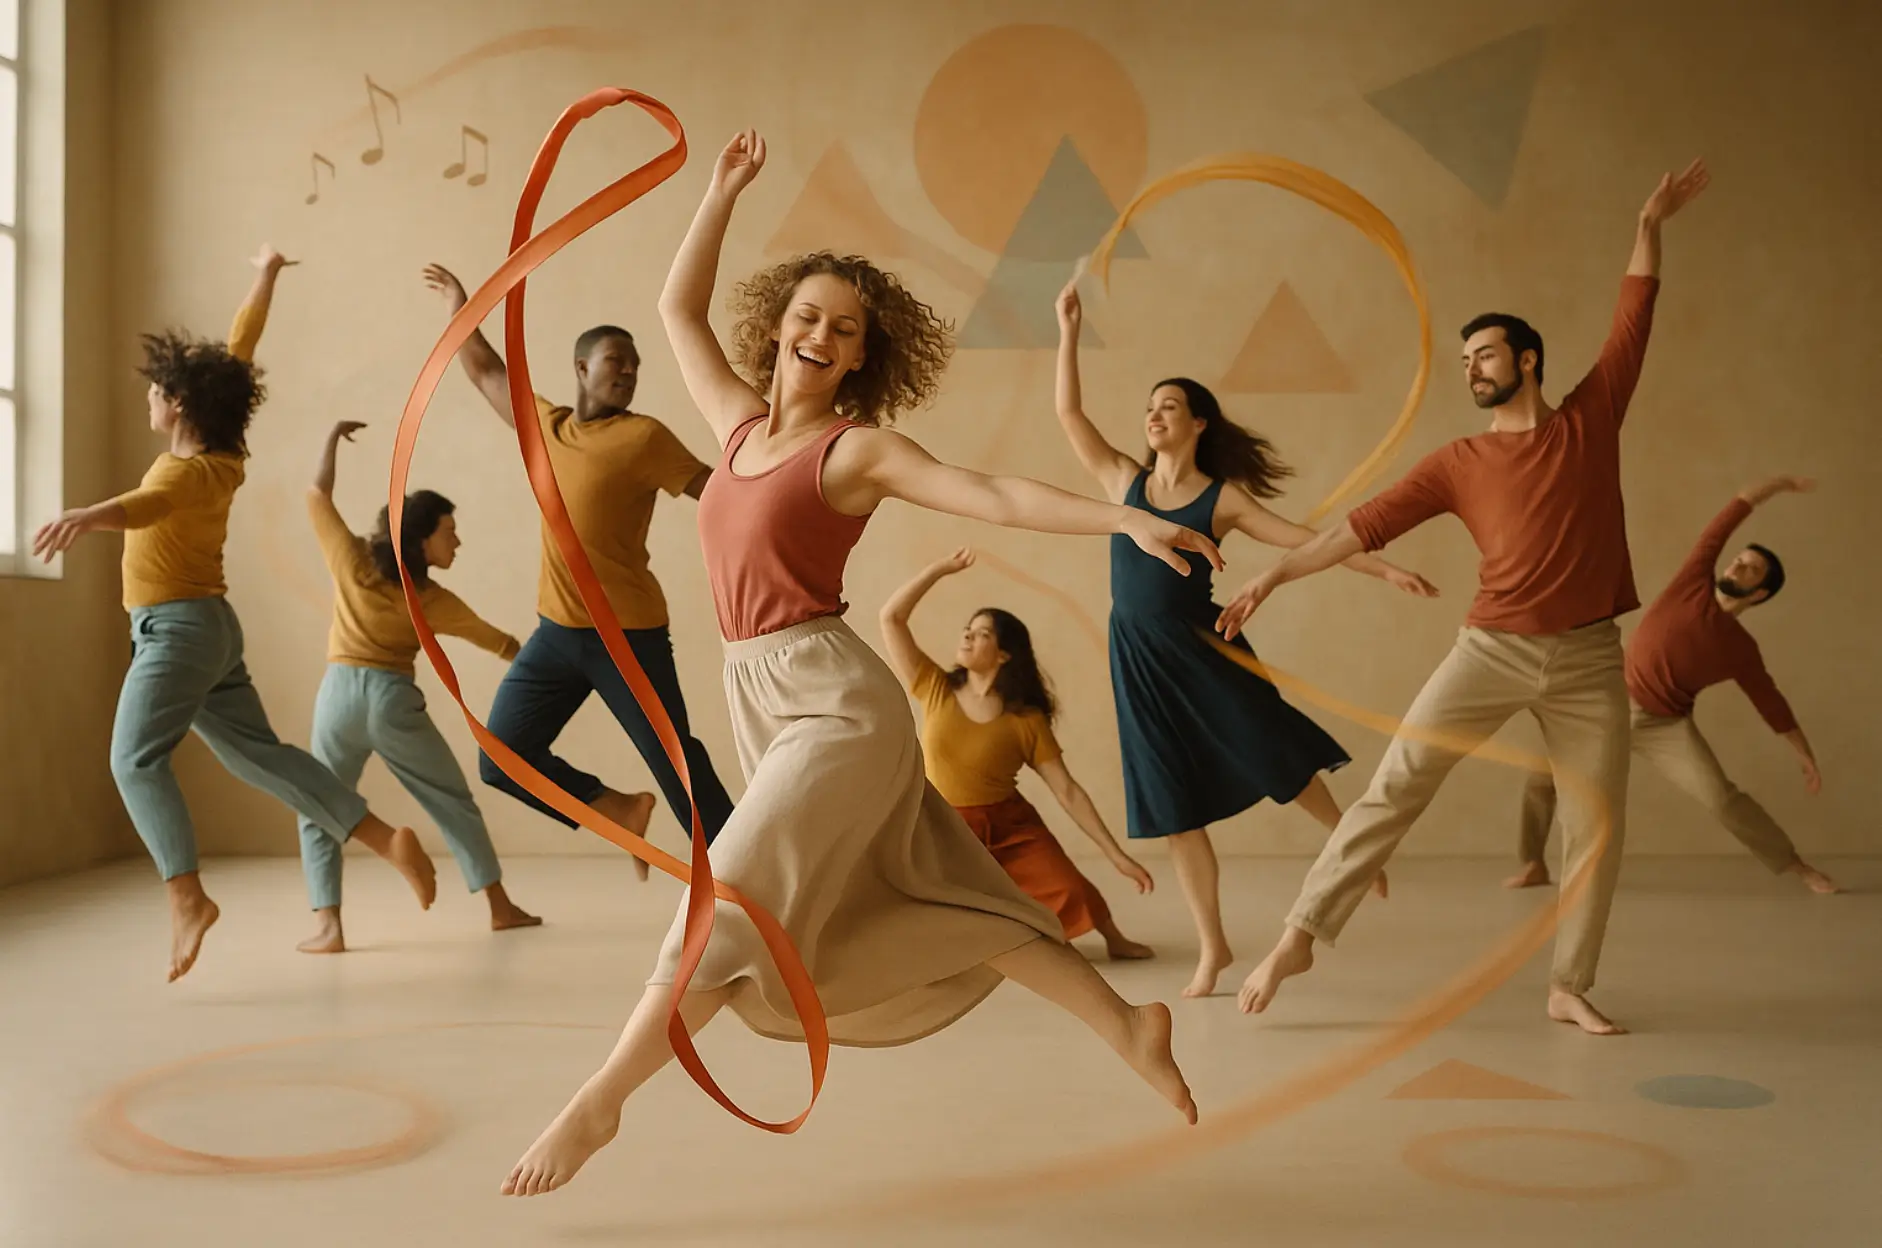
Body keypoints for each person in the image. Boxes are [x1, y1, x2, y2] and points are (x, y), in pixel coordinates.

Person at [502, 130, 1212, 1198]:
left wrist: (1128, 520)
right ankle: (1127, 1024)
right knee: (931, 896)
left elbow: (996, 494)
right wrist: (722, 191)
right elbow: (676, 313)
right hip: (762, 699)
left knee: (727, 899)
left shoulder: (856, 450)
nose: (821, 335)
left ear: (859, 355)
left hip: (835, 706)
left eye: (843, 329)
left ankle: (601, 1099)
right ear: (779, 330)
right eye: (806, 318)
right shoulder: (735, 429)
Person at [1225, 160, 1711, 1036]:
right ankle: (1300, 935)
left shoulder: (1589, 421)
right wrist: (1272, 573)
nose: (1472, 369)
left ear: (1527, 359)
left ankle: (1570, 983)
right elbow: (1358, 527)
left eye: (1485, 353)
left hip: (1591, 657)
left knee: (1596, 825)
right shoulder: (1457, 462)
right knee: (1394, 789)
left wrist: (1651, 221)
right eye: (1463, 361)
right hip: (1490, 651)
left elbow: (1633, 317)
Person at [29, 247, 437, 982]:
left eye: (156, 391)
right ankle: (382, 837)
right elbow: (241, 347)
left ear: (179, 404)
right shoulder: (223, 456)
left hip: (178, 634)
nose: (149, 399)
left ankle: (185, 896)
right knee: (264, 757)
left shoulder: (186, 473)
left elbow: (148, 506)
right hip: (209, 630)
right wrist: (265, 274)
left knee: (133, 759)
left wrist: (88, 515)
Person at [1050, 277, 1429, 998]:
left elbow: (1309, 540)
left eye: (1168, 406)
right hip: (1136, 658)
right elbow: (1068, 411)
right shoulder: (1122, 482)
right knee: (1172, 805)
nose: (1153, 415)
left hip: (1205, 648)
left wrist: (1383, 570)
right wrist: (1067, 328)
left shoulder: (1220, 499)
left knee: (1276, 753)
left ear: (1198, 423)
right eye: (1149, 407)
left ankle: (1353, 847)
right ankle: (1213, 948)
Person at [421, 263, 734, 879]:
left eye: (635, 365)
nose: (628, 371)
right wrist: (462, 305)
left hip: (628, 636)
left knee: (677, 764)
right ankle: (615, 807)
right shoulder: (547, 426)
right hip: (558, 634)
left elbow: (720, 494)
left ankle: (745, 876)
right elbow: (486, 370)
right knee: (502, 756)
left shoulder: (644, 438)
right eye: (617, 359)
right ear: (582, 369)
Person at [1510, 476, 1839, 895]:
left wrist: (1805, 756)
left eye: (1750, 568)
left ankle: (1796, 865)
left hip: (1664, 725)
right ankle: (1533, 862)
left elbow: (1771, 704)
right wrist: (1775, 486)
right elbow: (1722, 524)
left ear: (1759, 593)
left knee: (1721, 798)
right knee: (1539, 777)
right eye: (1738, 560)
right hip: (1604, 702)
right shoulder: (1692, 584)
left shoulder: (1741, 649)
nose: (1736, 565)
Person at [296, 419, 544, 954]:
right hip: (391, 701)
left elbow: (317, 493)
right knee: (452, 801)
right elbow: (501, 643)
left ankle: (328, 927)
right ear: (422, 539)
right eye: (448, 531)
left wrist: (330, 438)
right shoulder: (433, 601)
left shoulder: (354, 563)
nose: (458, 540)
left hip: (337, 697)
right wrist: (558, 667)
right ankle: (500, 908)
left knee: (319, 801)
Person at [879, 548, 1156, 961]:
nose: (968, 636)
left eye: (982, 633)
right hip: (946, 828)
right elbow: (891, 618)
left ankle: (1114, 938)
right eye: (967, 630)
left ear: (1004, 654)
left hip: (1010, 826)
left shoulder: (1025, 719)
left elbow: (1067, 791)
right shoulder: (936, 688)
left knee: (1072, 889)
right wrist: (937, 570)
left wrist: (1116, 856)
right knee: (932, 909)